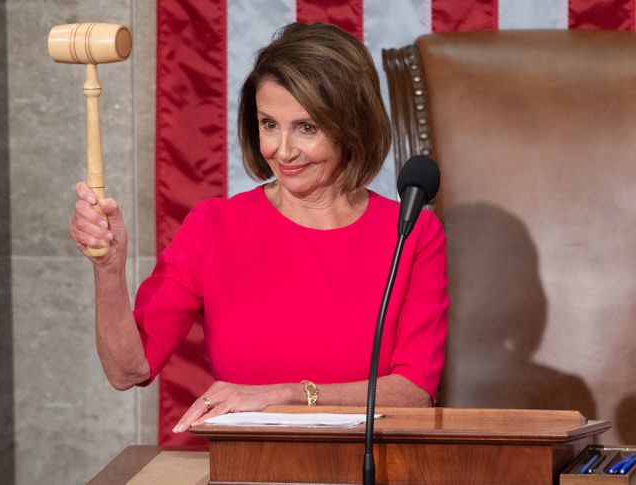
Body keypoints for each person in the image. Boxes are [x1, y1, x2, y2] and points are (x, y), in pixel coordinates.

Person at [70, 22, 448, 434]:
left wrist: (288, 396)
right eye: (269, 124)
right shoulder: (215, 227)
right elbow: (129, 370)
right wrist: (109, 269)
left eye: (306, 127)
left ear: (352, 127)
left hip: (372, 468)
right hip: (247, 467)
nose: (281, 150)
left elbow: (414, 392)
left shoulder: (413, 232)